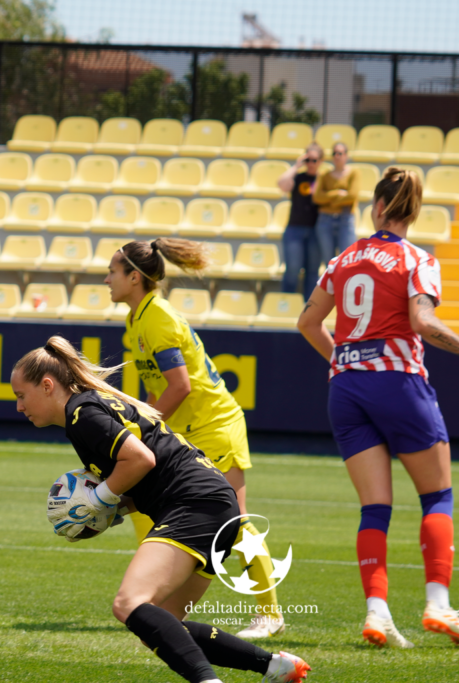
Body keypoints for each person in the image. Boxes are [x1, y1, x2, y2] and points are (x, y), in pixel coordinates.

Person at [9, 337, 311, 683]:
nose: (19, 407)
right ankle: (276, 666)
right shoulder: (91, 406)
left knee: (128, 603)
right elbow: (146, 474)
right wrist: (107, 513)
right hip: (214, 503)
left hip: (195, 503)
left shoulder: (81, 414)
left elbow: (141, 459)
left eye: (21, 395)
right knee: (163, 625)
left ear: (47, 386)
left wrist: (96, 499)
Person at [296, 167, 459, 649]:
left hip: (346, 389)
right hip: (399, 384)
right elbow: (422, 322)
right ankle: (438, 603)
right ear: (413, 210)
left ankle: (378, 613)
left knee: (375, 507)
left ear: (377, 206)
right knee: (437, 496)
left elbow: (307, 321)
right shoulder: (416, 259)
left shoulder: (342, 259)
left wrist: (343, 357)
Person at [105, 238, 286, 639]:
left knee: (234, 524)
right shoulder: (136, 320)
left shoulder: (157, 319)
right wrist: (144, 432)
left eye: (113, 272)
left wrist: (149, 428)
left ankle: (270, 615)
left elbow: (180, 386)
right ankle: (154, 604)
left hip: (215, 426)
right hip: (187, 432)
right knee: (149, 506)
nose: (107, 279)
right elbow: (157, 388)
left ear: (134, 277)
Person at [278, 144, 322, 297]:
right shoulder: (298, 177)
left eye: (314, 160)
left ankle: (308, 309)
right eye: (308, 160)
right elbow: (282, 184)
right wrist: (296, 166)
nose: (311, 163)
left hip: (316, 231)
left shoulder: (323, 179)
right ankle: (286, 303)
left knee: (312, 271)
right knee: (292, 269)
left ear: (321, 161)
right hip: (295, 229)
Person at [313, 142, 359, 265]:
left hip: (346, 218)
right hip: (325, 220)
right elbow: (317, 197)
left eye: (340, 153)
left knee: (347, 261)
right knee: (329, 263)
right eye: (334, 153)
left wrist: (329, 200)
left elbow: (352, 196)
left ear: (346, 155)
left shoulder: (354, 173)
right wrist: (338, 193)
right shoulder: (324, 175)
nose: (337, 156)